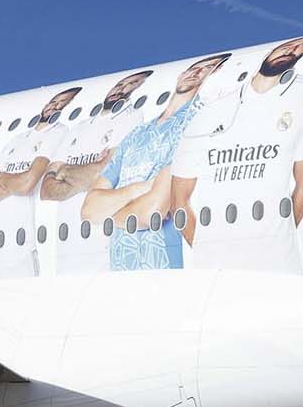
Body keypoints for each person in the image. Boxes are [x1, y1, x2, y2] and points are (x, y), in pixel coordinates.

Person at [171, 34, 303, 273]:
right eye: (289, 45)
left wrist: (275, 242)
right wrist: (207, 252)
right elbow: (179, 202)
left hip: (279, 268)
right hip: (215, 275)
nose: (295, 49)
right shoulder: (211, 110)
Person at [84, 54, 232, 271]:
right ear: (181, 74)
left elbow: (151, 212)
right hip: (119, 270)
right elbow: (89, 210)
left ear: (212, 76)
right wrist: (140, 189)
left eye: (206, 69)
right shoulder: (138, 133)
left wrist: (111, 208)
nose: (195, 73)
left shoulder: (194, 124)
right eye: (193, 69)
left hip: (163, 272)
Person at [42, 72, 151, 275]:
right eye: (120, 84)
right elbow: (47, 191)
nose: (121, 88)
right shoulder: (76, 129)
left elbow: (107, 174)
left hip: (104, 251)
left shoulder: (132, 118)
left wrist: (65, 172)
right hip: (65, 256)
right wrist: (92, 169)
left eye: (132, 85)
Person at [0, 86, 81, 279]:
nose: (54, 106)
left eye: (61, 104)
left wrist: (0, 178)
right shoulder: (17, 140)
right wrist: (14, 182)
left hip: (22, 251)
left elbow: (27, 183)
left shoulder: (58, 132)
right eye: (53, 102)